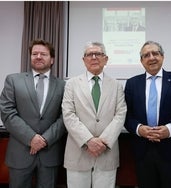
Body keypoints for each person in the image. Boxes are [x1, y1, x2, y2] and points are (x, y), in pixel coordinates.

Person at [124, 40, 171, 188]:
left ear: (162, 56)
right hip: (142, 151)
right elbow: (126, 115)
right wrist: (139, 129)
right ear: (141, 61)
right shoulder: (132, 83)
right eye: (146, 55)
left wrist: (169, 129)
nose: (151, 57)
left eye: (155, 53)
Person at [0, 39, 66, 188]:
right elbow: (7, 112)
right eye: (34, 53)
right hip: (20, 154)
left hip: (50, 153)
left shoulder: (63, 85)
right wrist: (31, 138)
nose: (38, 57)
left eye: (43, 54)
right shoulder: (13, 80)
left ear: (52, 59)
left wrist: (44, 140)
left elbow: (64, 117)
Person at [62, 42, 127, 188]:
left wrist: (103, 142)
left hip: (106, 153)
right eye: (89, 54)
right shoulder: (71, 84)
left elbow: (120, 115)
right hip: (78, 153)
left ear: (106, 59)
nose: (94, 57)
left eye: (98, 54)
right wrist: (88, 140)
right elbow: (68, 115)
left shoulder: (116, 85)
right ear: (83, 60)